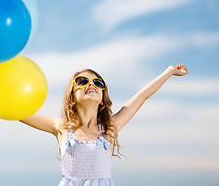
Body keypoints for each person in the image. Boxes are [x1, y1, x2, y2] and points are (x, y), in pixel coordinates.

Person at [20, 64, 188, 186]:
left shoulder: (109, 129)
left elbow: (143, 95)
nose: (91, 84)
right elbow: (19, 113)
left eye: (98, 83)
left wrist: (169, 71)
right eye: (82, 80)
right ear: (71, 96)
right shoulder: (62, 128)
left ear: (102, 100)